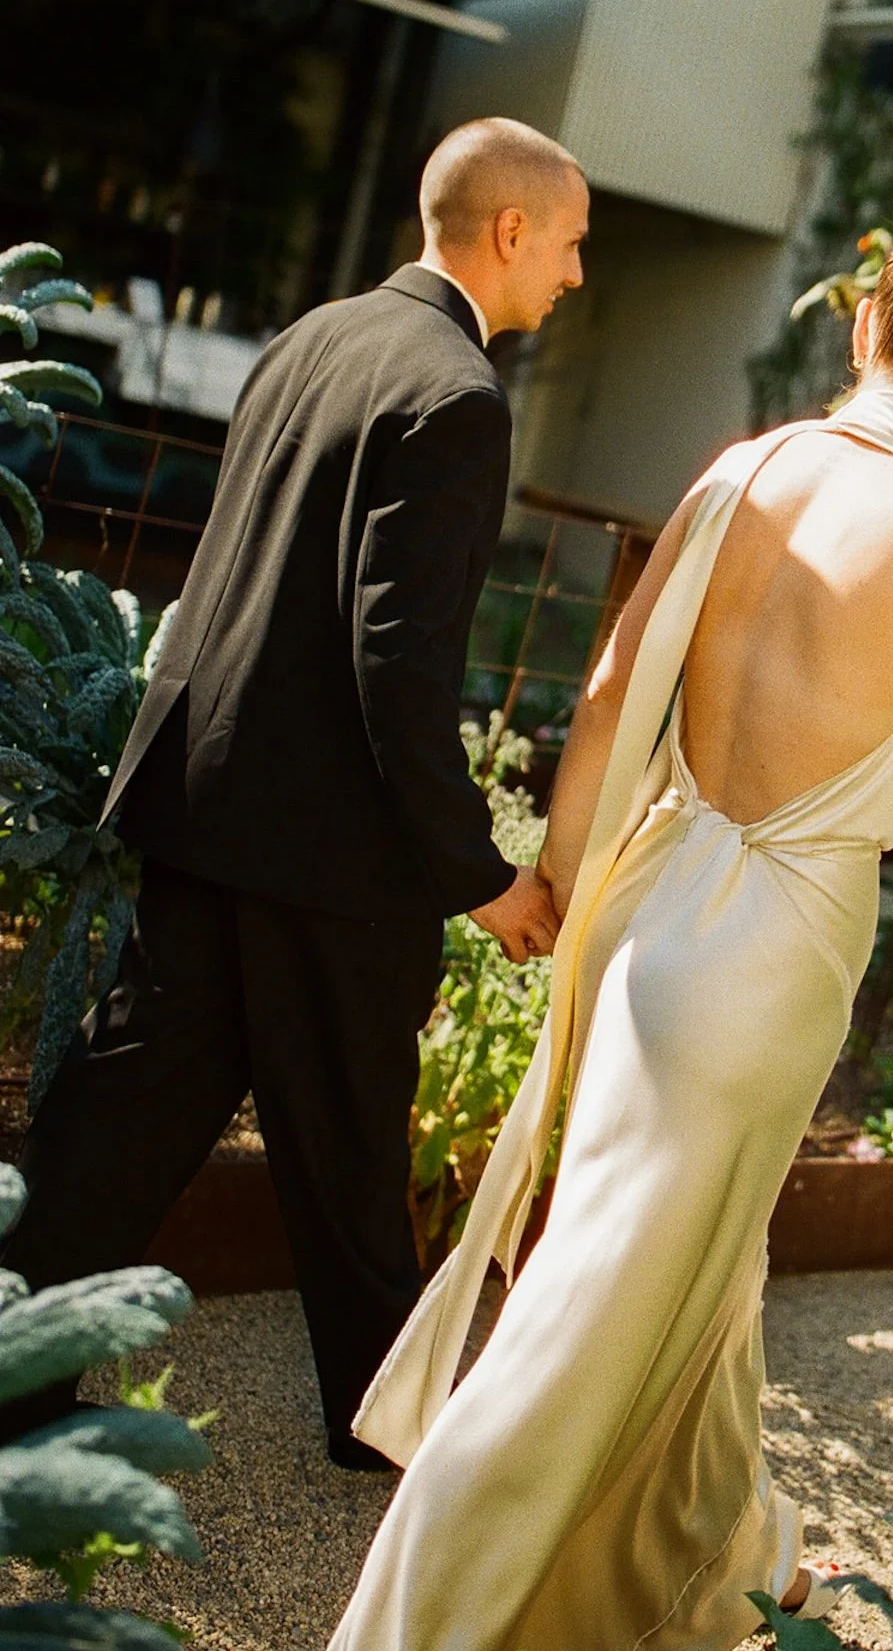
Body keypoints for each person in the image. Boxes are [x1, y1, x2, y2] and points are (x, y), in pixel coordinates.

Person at [327, 209, 893, 1644]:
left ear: (861, 332)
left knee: (697, 1269)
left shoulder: (742, 473)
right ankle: (401, 1624)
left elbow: (606, 697)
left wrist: (560, 885)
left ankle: (740, 1560)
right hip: (767, 962)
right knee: (578, 1327)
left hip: (648, 909)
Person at [0, 117, 585, 1468]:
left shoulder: (314, 337)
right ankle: (393, 1428)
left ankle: (17, 1368)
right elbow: (396, 658)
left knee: (121, 1118)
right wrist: (480, 873)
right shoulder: (456, 395)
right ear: (507, 230)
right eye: (566, 243)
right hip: (330, 850)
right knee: (348, 1151)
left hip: (208, 802)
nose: (570, 273)